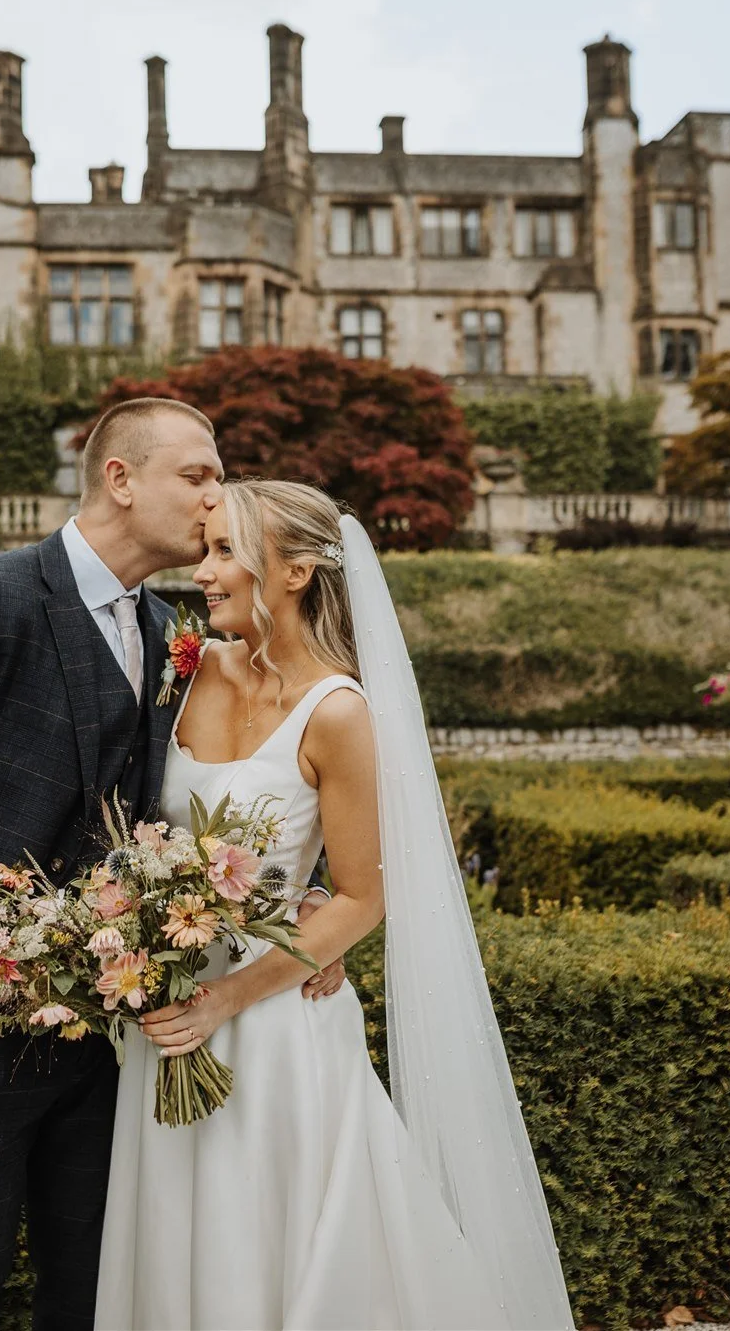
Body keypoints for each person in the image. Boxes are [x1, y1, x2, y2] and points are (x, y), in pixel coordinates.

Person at [0, 401, 345, 1331]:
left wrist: (310, 898)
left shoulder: (179, 627)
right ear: (121, 481)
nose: (218, 497)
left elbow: (253, 774)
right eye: (199, 475)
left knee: (96, 1292)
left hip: (112, 1037)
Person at [96, 479, 577, 1330]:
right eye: (204, 548)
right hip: (167, 1011)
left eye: (223, 551)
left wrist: (229, 998)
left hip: (278, 1025)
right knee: (174, 1230)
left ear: (295, 573)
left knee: (275, 1239)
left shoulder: (339, 710)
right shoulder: (188, 667)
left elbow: (364, 892)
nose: (201, 572)